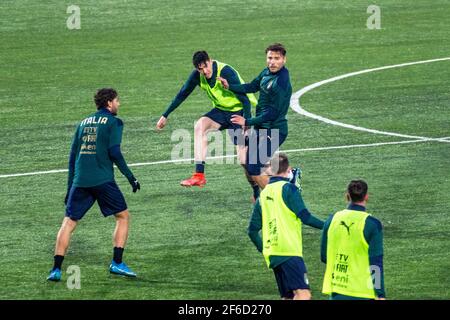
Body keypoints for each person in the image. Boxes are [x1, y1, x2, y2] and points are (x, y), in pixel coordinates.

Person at [47, 88, 141, 281]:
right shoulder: (114, 122)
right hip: (103, 180)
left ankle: (56, 269)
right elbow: (114, 152)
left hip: (80, 181)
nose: (119, 104)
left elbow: (72, 158)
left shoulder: (83, 123)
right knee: (123, 216)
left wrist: (69, 188)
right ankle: (117, 263)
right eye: (117, 101)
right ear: (109, 103)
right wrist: (131, 177)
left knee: (69, 222)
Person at [156, 51, 259, 199]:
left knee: (244, 161)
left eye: (206, 66)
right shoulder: (198, 76)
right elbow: (182, 94)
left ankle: (256, 191)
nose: (204, 71)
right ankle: (199, 175)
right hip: (221, 112)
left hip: (238, 112)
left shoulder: (226, 72)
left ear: (210, 61)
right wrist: (165, 115)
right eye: (200, 69)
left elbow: (245, 100)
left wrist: (247, 123)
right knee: (200, 125)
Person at [247, 153, 324, 300]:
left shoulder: (263, 195)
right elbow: (306, 218)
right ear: (288, 169)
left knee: (288, 297)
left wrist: (264, 249)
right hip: (289, 251)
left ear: (270, 170)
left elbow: (252, 231)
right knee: (303, 294)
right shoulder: (289, 189)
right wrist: (328, 225)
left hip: (273, 254)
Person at [218, 43, 292, 191]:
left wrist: (247, 121)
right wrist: (230, 86)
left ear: (284, 59)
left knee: (254, 166)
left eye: (276, 58)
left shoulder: (281, 82)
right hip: (260, 128)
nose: (272, 62)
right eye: (270, 58)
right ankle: (273, 183)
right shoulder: (266, 73)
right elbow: (252, 86)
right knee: (245, 160)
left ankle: (276, 199)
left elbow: (271, 114)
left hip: (274, 130)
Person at [321, 179, 386, 300]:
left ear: (347, 196)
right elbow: (375, 264)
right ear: (366, 196)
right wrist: (380, 293)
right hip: (363, 293)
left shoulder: (332, 220)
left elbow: (324, 257)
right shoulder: (372, 224)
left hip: (337, 290)